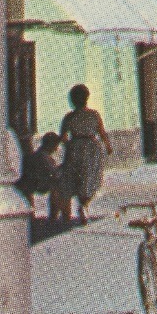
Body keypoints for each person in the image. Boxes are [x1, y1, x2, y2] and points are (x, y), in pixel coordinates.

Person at [59, 84, 113, 224]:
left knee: (76, 178)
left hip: (75, 147)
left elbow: (63, 136)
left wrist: (69, 146)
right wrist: (107, 145)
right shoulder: (94, 115)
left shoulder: (69, 117)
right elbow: (101, 132)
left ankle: (82, 206)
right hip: (91, 148)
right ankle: (84, 205)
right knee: (89, 178)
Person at [18, 132, 63, 221]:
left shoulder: (36, 155)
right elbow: (54, 174)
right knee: (58, 187)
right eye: (56, 146)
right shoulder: (44, 157)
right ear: (51, 145)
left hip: (31, 182)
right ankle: (55, 216)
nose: (57, 148)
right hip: (39, 183)